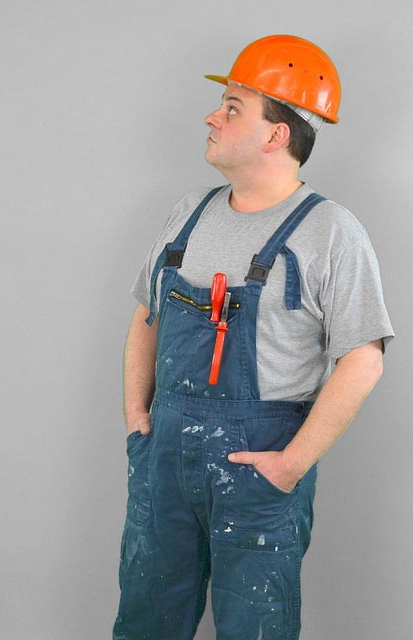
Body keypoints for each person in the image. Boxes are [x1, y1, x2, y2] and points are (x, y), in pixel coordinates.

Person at [112, 35, 395, 640]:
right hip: (164, 460)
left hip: (258, 470)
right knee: (144, 624)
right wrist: (138, 417)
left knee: (254, 629)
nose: (211, 117)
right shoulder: (190, 213)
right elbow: (147, 315)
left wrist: (291, 466)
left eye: (233, 107)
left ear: (276, 135)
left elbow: (363, 360)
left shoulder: (330, 232)